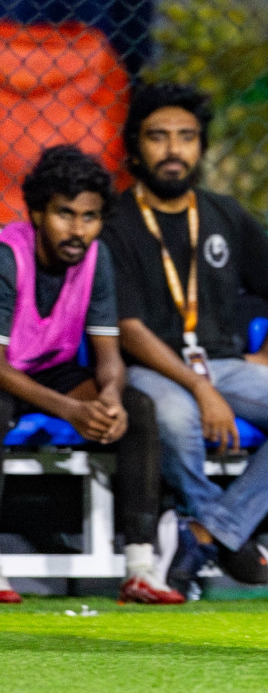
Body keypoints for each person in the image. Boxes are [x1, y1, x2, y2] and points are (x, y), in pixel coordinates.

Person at [103, 84, 268, 598]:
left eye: (186, 137)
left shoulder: (222, 213)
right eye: (158, 137)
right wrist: (200, 388)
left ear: (201, 148)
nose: (173, 149)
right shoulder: (116, 222)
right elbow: (130, 330)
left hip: (225, 365)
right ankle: (226, 532)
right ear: (134, 147)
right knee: (175, 413)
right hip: (153, 369)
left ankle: (206, 532)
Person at [0, 147, 182, 605]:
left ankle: (141, 568)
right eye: (65, 214)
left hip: (49, 370)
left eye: (90, 216)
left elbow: (108, 353)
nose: (78, 229)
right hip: (5, 372)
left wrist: (111, 397)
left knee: (138, 410)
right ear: (38, 212)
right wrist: (73, 410)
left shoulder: (96, 259)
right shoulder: (7, 256)